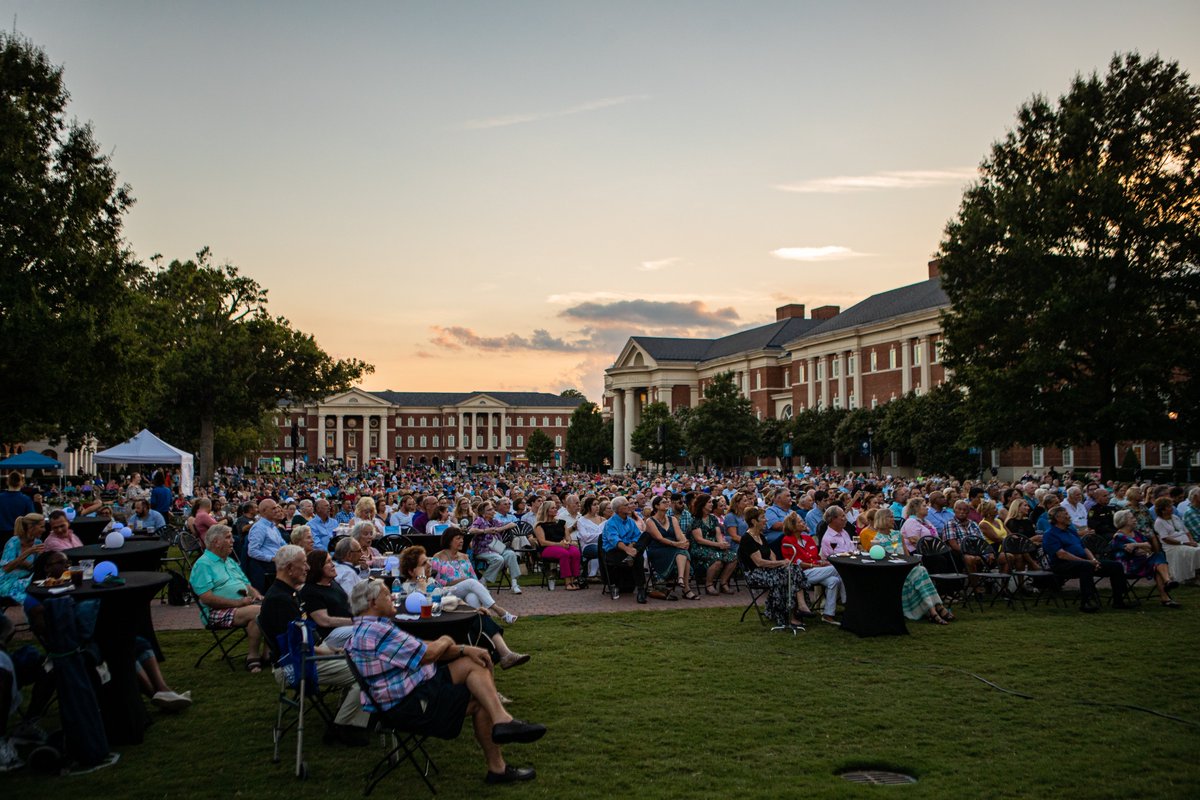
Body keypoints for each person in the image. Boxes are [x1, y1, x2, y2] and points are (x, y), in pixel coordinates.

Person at [346, 579, 545, 785]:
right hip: (408, 703)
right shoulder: (377, 632)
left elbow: (418, 647)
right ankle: (498, 764)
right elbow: (430, 653)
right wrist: (447, 639)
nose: (393, 599)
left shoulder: (369, 628)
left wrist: (465, 649)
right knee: (480, 700)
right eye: (387, 595)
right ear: (372, 602)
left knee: (474, 662)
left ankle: (502, 723)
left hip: (413, 686)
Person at [25, 550, 194, 709]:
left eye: (67, 562)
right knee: (120, 647)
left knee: (139, 642)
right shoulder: (36, 596)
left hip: (90, 637)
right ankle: (156, 695)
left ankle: (163, 689)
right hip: (72, 647)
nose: (67, 567)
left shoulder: (69, 587)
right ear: (46, 567)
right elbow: (45, 629)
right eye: (61, 563)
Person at [259, 545, 369, 742]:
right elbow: (294, 646)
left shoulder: (289, 593)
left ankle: (351, 717)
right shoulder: (279, 600)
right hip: (296, 665)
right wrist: (330, 652)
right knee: (367, 670)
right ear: (290, 568)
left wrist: (332, 649)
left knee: (363, 660)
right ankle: (341, 727)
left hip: (308, 654)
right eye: (303, 564)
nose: (308, 568)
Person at [400, 546, 528, 669]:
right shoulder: (408, 589)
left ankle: (503, 655)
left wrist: (472, 609)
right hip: (436, 632)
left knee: (476, 609)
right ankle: (504, 654)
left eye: (428, 560)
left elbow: (447, 598)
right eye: (423, 563)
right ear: (411, 571)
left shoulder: (431, 581)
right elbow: (429, 603)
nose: (429, 564)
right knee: (477, 622)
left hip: (448, 622)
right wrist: (421, 579)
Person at [190, 524, 268, 672]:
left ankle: (265, 654)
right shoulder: (203, 564)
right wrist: (238, 603)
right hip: (215, 613)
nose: (233, 540)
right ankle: (255, 656)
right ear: (216, 542)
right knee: (261, 612)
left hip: (243, 607)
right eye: (228, 537)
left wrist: (257, 595)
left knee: (273, 607)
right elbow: (207, 598)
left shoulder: (230, 561)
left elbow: (247, 585)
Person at [867, 508, 955, 624]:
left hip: (905, 568)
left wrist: (912, 562)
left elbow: (907, 555)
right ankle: (938, 608)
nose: (894, 519)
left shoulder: (897, 534)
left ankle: (934, 611)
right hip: (893, 572)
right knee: (920, 572)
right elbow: (881, 562)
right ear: (883, 519)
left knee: (920, 570)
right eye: (891, 517)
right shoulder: (877, 540)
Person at [1043, 506, 1131, 612]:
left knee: (1115, 566)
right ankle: (1087, 601)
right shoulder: (1050, 534)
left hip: (1084, 561)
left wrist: (1093, 560)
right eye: (1066, 514)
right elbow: (1062, 555)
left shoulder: (1070, 530)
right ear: (1057, 518)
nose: (1069, 517)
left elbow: (1084, 548)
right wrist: (1087, 562)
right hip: (1063, 564)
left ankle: (1119, 600)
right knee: (1086, 566)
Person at [738, 508, 809, 629]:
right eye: (763, 518)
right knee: (786, 576)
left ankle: (798, 608)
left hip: (767, 570)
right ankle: (791, 613)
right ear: (754, 521)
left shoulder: (760, 536)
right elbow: (759, 562)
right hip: (755, 574)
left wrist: (781, 565)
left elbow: (772, 557)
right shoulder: (747, 538)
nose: (766, 520)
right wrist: (781, 563)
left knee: (792, 569)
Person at [430, 528, 518, 623]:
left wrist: (468, 583)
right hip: (447, 591)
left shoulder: (464, 556)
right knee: (470, 582)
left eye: (462, 538)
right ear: (449, 540)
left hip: (466, 589)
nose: (462, 541)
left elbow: (473, 577)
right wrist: (458, 581)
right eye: (458, 538)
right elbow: (436, 582)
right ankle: (498, 610)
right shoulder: (438, 557)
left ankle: (480, 623)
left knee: (472, 596)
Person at [1109, 509, 1179, 607]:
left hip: (1142, 562)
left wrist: (1136, 545)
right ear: (1124, 521)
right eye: (1132, 518)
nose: (1135, 520)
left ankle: (1166, 594)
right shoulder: (1118, 536)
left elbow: (1149, 546)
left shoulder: (1136, 533)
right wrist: (1140, 547)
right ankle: (1167, 584)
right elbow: (1138, 551)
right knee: (1157, 559)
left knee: (1157, 562)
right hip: (1129, 566)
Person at [779, 513, 840, 624]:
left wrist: (822, 563)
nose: (803, 523)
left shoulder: (808, 538)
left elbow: (816, 557)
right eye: (800, 522)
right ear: (792, 526)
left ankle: (828, 614)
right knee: (838, 569)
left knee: (834, 581)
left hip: (816, 571)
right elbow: (795, 562)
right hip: (800, 574)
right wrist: (813, 565)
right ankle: (846, 600)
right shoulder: (787, 540)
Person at [644, 495, 698, 600]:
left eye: (667, 502)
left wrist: (684, 542)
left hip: (674, 549)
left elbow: (679, 535)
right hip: (658, 550)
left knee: (684, 552)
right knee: (682, 552)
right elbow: (660, 538)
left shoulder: (672, 519)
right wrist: (678, 544)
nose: (667, 503)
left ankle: (681, 579)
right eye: (664, 502)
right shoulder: (650, 521)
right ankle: (686, 589)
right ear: (656, 506)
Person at [300, 549, 355, 650]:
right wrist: (354, 621)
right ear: (318, 567)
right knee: (365, 630)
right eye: (328, 562)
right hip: (329, 634)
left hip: (346, 627)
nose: (333, 565)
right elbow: (324, 621)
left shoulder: (332, 583)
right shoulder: (311, 591)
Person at [601, 496, 650, 602]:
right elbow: (614, 540)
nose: (630, 506)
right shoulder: (610, 523)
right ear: (619, 509)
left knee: (646, 535)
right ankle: (641, 590)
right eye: (626, 505)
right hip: (614, 551)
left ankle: (632, 556)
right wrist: (627, 550)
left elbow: (637, 536)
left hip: (630, 549)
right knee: (638, 558)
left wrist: (632, 548)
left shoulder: (630, 521)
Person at [687, 494, 738, 595]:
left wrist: (721, 543)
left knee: (733, 557)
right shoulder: (695, 520)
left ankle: (723, 583)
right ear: (702, 505)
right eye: (709, 502)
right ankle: (709, 585)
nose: (712, 504)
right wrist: (717, 545)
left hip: (714, 546)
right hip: (699, 548)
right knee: (717, 559)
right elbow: (699, 540)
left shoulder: (713, 518)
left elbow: (718, 533)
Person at [470, 502, 522, 594]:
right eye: (489, 510)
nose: (492, 511)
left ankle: (514, 584)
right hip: (483, 548)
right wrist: (485, 531)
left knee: (511, 554)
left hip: (496, 546)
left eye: (492, 509)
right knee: (499, 559)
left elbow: (512, 524)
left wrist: (499, 529)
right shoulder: (479, 520)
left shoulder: (494, 521)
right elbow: (471, 530)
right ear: (483, 513)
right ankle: (483, 581)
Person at [532, 500, 582, 590]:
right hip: (547, 548)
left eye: (555, 507)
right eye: (553, 508)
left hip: (562, 545)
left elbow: (568, 537)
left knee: (575, 552)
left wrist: (567, 542)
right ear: (546, 511)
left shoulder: (561, 523)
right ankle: (567, 583)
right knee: (564, 554)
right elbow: (542, 542)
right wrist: (559, 544)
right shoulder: (539, 525)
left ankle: (574, 579)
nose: (556, 509)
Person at [1153, 497, 1200, 584]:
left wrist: (1192, 541)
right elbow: (1165, 538)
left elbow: (1186, 531)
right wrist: (1184, 543)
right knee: (1196, 551)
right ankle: (1193, 576)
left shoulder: (1175, 517)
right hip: (1173, 547)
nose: (1173, 508)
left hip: (1187, 543)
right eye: (1169, 507)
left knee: (1197, 548)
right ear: (1163, 510)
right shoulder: (1159, 522)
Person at [0, 514, 43, 604]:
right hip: (8, 580)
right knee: (32, 601)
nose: (44, 530)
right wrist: (28, 552)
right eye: (41, 527)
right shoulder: (14, 542)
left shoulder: (38, 542)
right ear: (31, 527)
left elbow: (37, 568)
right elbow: (6, 568)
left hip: (27, 579)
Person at [247, 498, 288, 589]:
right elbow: (252, 551)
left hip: (278, 563)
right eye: (273, 508)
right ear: (264, 511)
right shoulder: (259, 528)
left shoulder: (273, 527)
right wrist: (272, 558)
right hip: (267, 566)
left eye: (277, 507)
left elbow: (283, 544)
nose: (277, 510)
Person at [0, 473, 35, 549]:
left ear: (7, 482)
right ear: (22, 483)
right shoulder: (26, 500)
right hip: (19, 537)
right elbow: (32, 520)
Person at [574, 496, 604, 580]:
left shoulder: (603, 520)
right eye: (594, 504)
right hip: (588, 546)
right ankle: (594, 573)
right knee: (600, 549)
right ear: (588, 507)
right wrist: (602, 535)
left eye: (598, 504)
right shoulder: (581, 521)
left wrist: (595, 535)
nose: (597, 506)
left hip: (602, 544)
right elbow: (586, 538)